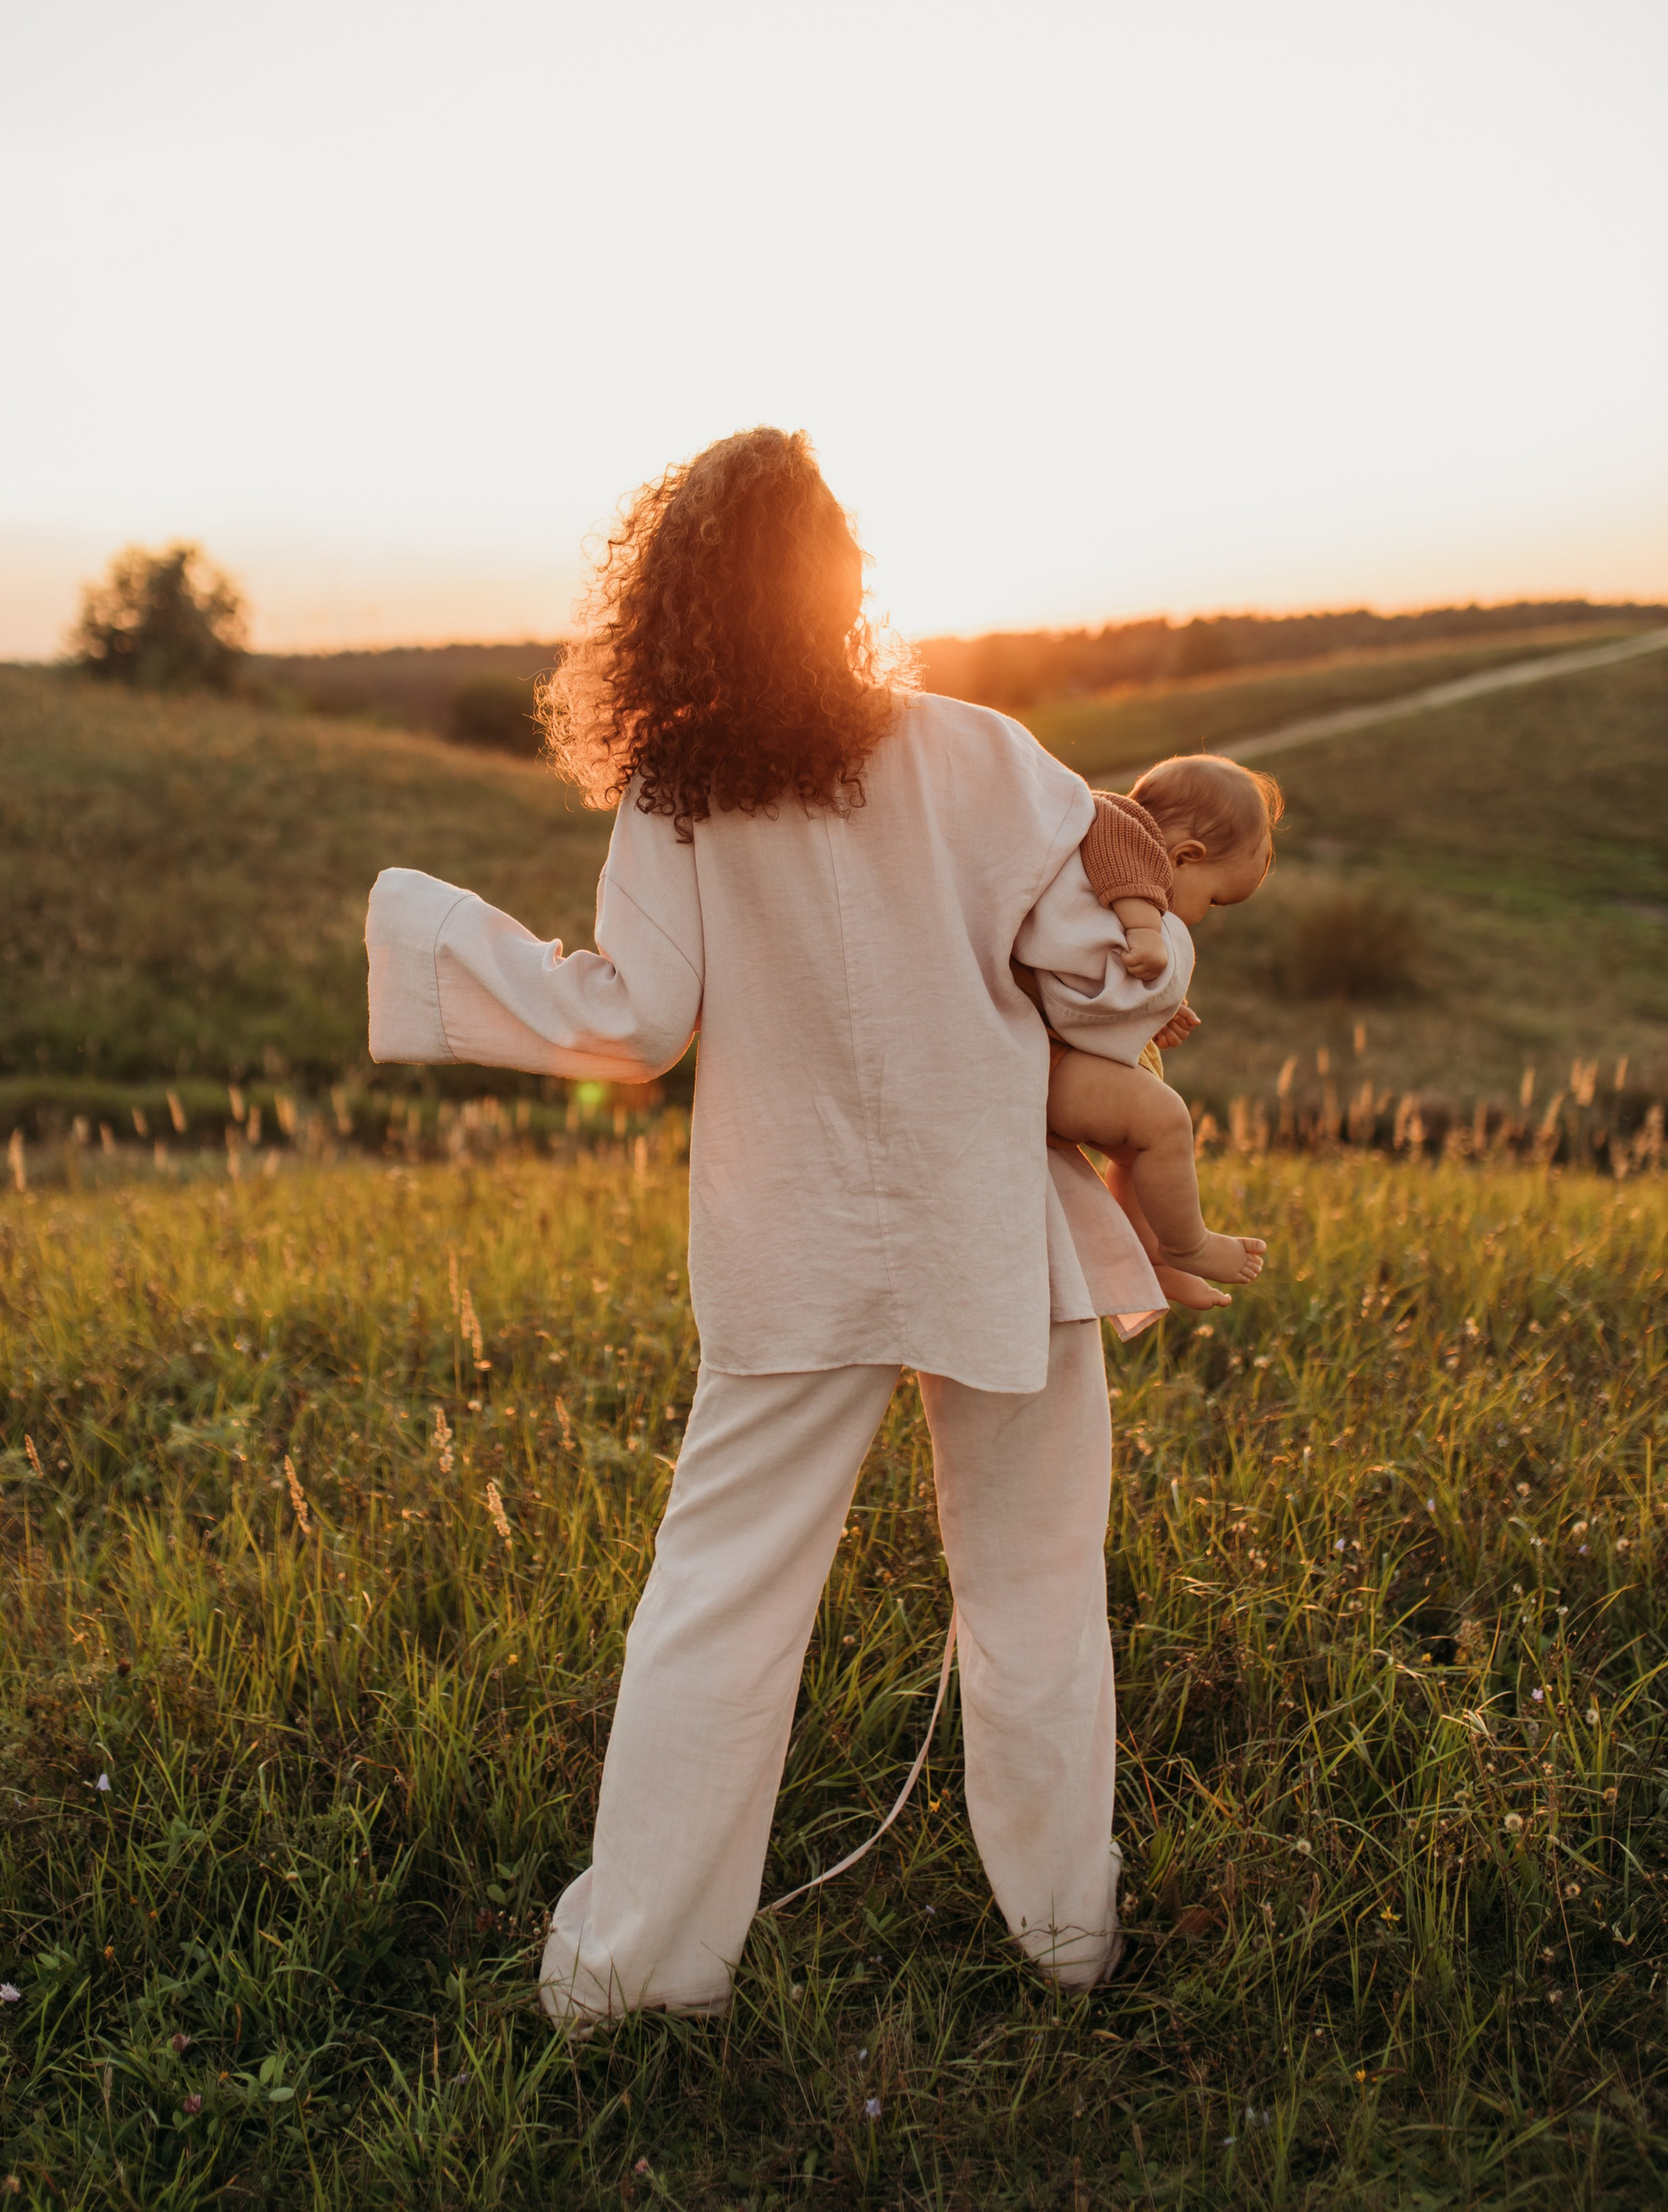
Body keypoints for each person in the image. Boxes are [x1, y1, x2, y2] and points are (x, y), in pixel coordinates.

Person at [365, 429, 1195, 2024]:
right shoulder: (981, 754)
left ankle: (633, 1979)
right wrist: (1140, 910)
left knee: (718, 1600)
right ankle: (1067, 1948)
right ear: (840, 582)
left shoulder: (680, 791)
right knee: (1031, 1594)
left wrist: (431, 938)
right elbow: (1112, 981)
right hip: (986, 1233)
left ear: (673, 600)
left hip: (792, 1239)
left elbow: (633, 1023)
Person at [1061, 757, 1282, 1286]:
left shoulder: (1111, 898)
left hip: (1069, 1056)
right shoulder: (1108, 874)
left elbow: (1089, 983)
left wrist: (1152, 1012)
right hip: (1047, 1062)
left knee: (1141, 1151)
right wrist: (1146, 940)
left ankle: (1151, 1258)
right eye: (1214, 898)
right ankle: (1189, 1243)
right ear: (1184, 858)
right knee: (1163, 1121)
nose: (1204, 916)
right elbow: (1063, 988)